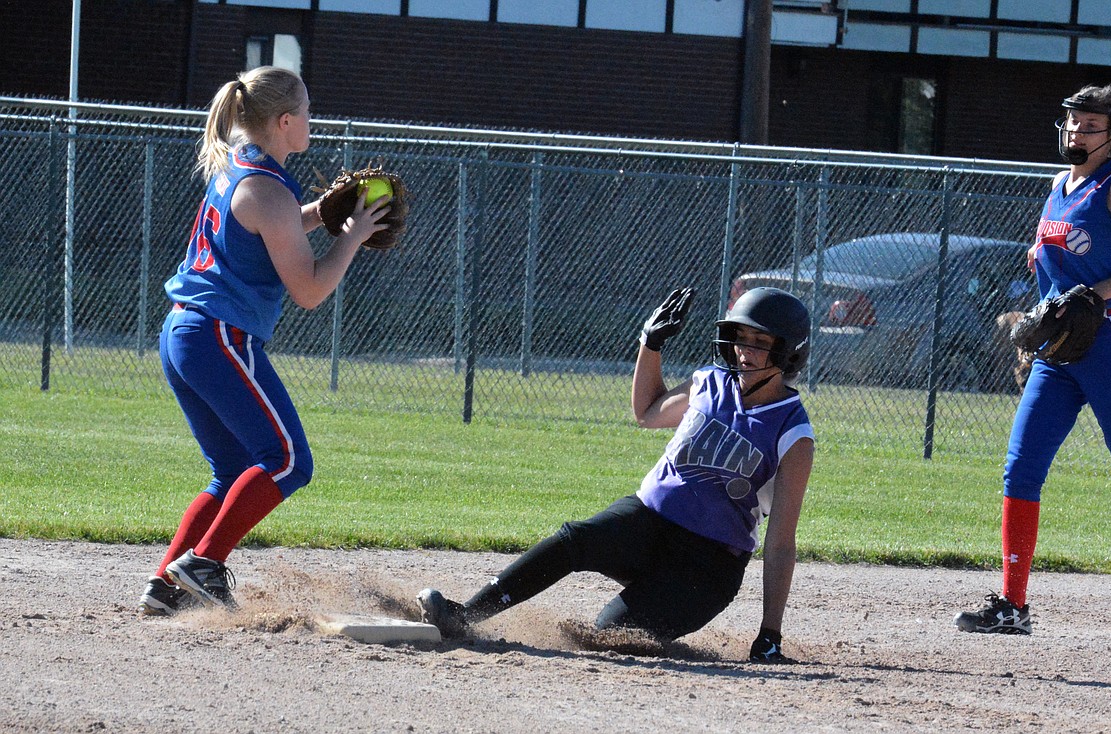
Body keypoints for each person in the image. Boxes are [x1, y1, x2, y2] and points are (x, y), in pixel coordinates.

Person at [416, 286, 816, 662]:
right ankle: (463, 616)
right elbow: (647, 412)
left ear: (789, 354)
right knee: (575, 539)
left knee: (610, 633)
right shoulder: (709, 383)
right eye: (740, 337)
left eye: (760, 343)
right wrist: (651, 344)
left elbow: (780, 542)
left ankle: (655, 604)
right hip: (646, 521)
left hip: (706, 568)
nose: (744, 351)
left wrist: (770, 634)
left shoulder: (793, 432)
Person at [137, 66, 391, 615]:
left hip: (184, 333)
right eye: (305, 111)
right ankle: (203, 566)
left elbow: (271, 226)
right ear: (283, 121)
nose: (310, 121)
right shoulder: (268, 191)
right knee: (288, 459)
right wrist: (351, 238)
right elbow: (310, 289)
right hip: (219, 338)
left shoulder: (240, 168)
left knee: (231, 471)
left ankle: (168, 583)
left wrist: (322, 216)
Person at [956, 84, 1111, 635]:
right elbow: (1056, 255)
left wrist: (1099, 294)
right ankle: (1012, 604)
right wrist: (1041, 268)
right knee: (1021, 468)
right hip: (1058, 352)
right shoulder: (1059, 185)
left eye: (1091, 125)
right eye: (1072, 122)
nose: (1077, 132)